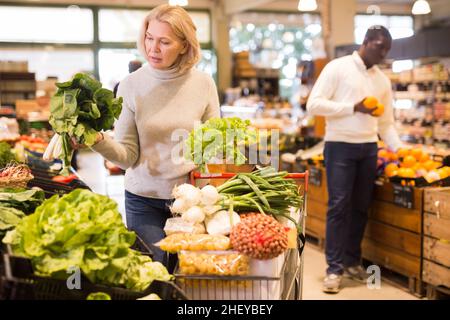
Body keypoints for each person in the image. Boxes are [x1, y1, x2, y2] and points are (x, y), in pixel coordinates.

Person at [81, 4, 220, 264]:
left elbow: (214, 146)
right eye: (149, 37)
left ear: (184, 44)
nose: (153, 48)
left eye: (164, 41)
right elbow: (126, 156)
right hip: (143, 200)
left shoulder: (203, 84)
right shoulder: (130, 85)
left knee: (189, 277)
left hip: (191, 204)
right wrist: (97, 140)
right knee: (154, 275)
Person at [306, 25, 403, 293]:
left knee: (361, 207)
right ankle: (333, 270)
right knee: (339, 206)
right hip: (339, 146)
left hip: (369, 149)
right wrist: (353, 107)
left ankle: (352, 262)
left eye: (387, 50)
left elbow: (386, 123)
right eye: (380, 47)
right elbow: (314, 104)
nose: (383, 54)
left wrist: (399, 149)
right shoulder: (338, 68)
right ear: (366, 42)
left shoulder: (382, 80)